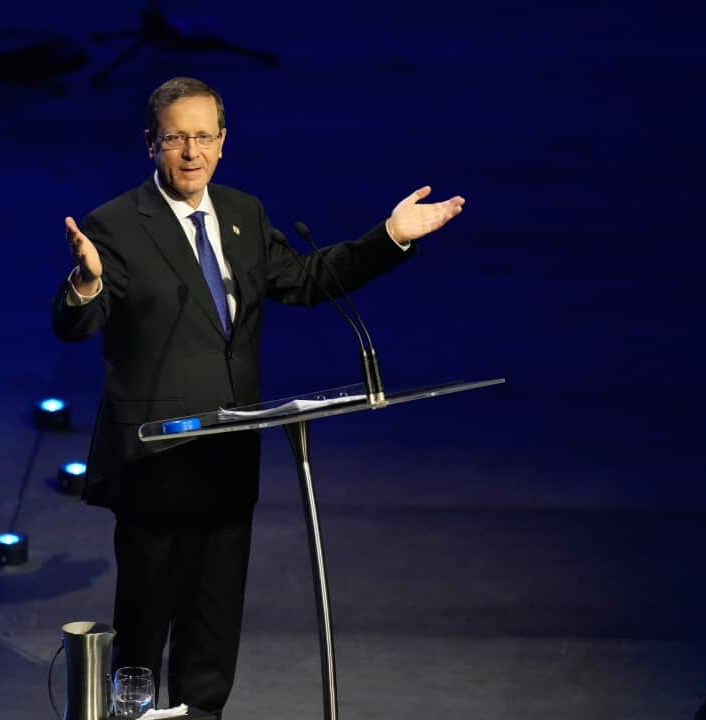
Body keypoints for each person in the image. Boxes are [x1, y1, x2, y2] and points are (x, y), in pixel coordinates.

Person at [51, 76, 464, 716]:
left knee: (214, 622)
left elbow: (304, 279)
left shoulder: (244, 214)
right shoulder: (116, 224)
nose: (192, 152)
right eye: (177, 138)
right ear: (150, 144)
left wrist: (391, 235)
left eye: (204, 137)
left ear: (223, 142)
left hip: (228, 457)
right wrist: (84, 282)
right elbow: (77, 322)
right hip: (156, 461)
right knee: (145, 620)